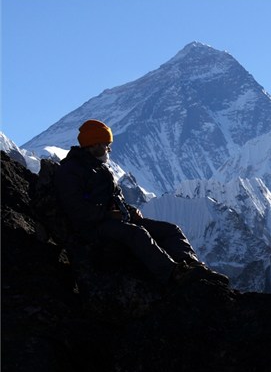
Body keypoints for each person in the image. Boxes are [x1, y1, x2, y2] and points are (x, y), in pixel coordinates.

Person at [54, 119, 228, 286]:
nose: (109, 149)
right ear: (95, 144)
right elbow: (75, 208)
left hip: (113, 220)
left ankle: (194, 267)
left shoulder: (100, 169)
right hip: (92, 227)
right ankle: (173, 273)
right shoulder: (71, 171)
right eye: (106, 144)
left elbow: (115, 197)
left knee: (171, 230)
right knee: (137, 233)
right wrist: (107, 215)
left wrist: (129, 210)